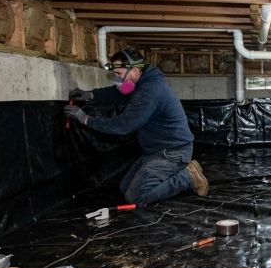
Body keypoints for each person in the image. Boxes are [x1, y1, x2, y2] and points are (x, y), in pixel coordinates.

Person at [64, 47, 208, 205]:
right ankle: (179, 173)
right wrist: (90, 95)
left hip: (173, 152)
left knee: (136, 196)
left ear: (134, 69)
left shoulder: (150, 91)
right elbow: (118, 93)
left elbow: (123, 126)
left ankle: (188, 177)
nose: (117, 79)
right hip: (156, 151)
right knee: (124, 188)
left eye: (119, 74)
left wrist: (85, 118)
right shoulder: (142, 82)